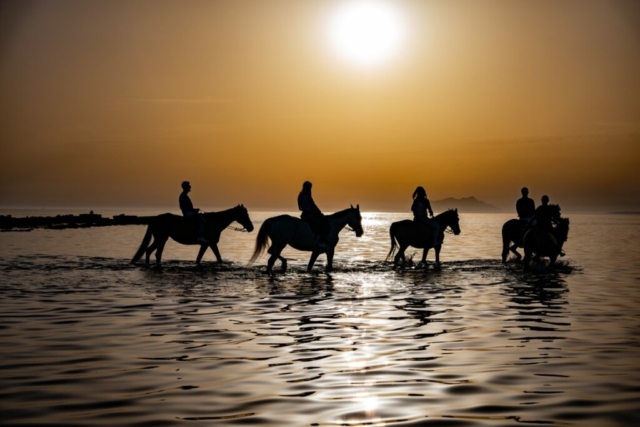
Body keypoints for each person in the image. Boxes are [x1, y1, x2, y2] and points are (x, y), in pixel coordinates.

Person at [298, 181, 328, 248]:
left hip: (305, 213)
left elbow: (301, 207)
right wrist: (318, 212)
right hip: (309, 214)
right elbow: (312, 205)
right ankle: (320, 241)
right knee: (320, 223)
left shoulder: (301, 195)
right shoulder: (306, 195)